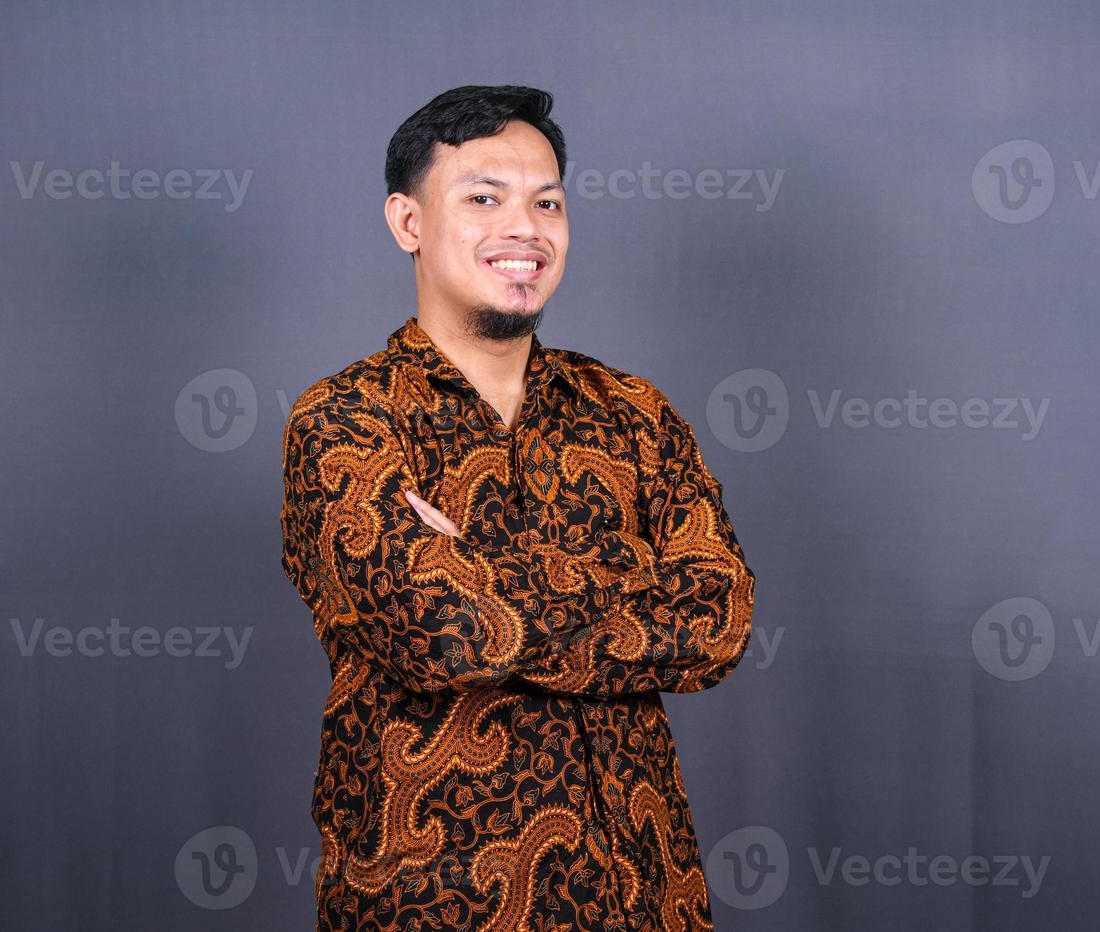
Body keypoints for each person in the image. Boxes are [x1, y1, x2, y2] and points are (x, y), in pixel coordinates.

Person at [279, 84, 756, 930]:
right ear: (408, 222)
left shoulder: (634, 412)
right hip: (429, 900)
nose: (524, 230)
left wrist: (475, 568)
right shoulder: (346, 420)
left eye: (548, 203)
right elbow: (438, 628)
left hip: (645, 895)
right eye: (483, 198)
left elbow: (718, 619)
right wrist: (631, 577)